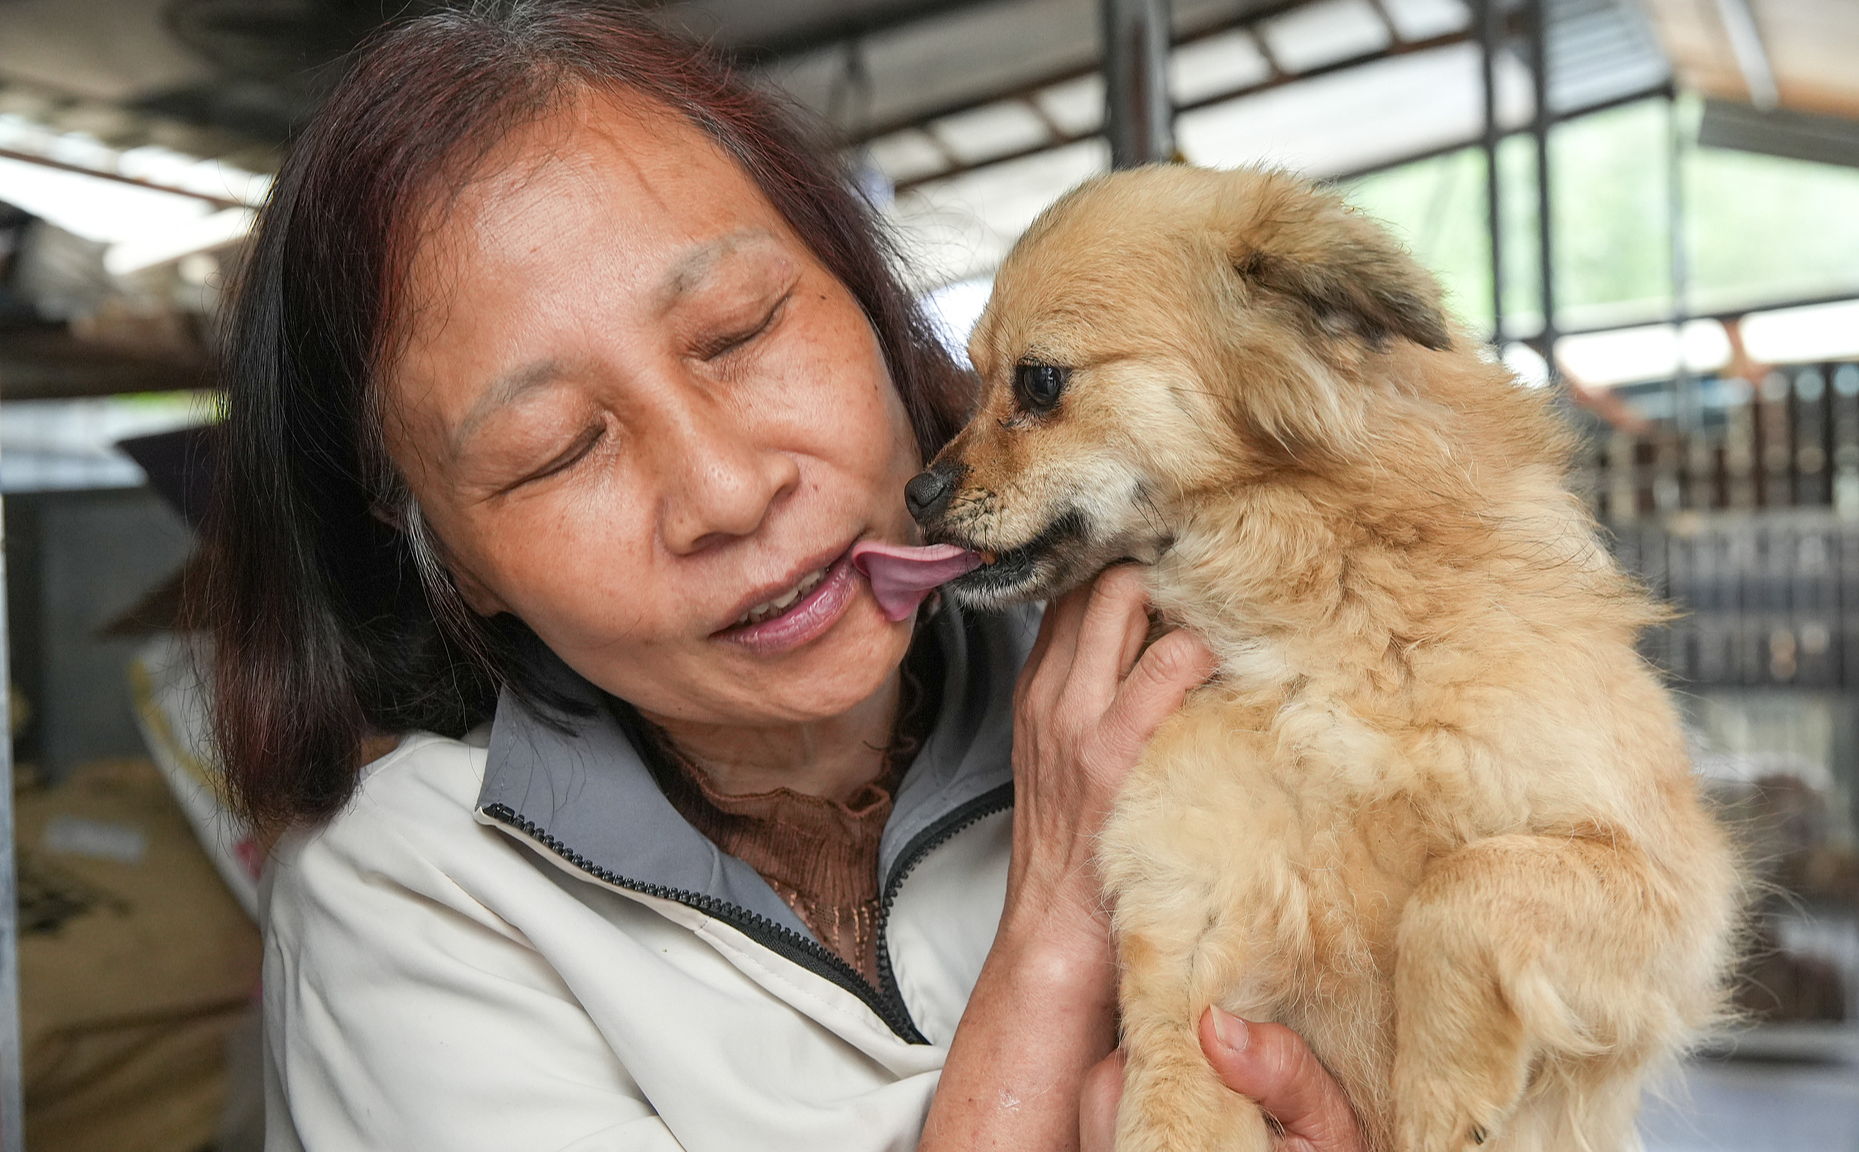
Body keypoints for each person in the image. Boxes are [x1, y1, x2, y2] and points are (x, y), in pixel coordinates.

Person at [205, 3, 1367, 1149]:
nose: (722, 491)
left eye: (739, 331)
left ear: (868, 301)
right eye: (557, 449)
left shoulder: (1216, 665)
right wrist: (1060, 910)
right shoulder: (410, 898)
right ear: (451, 562)